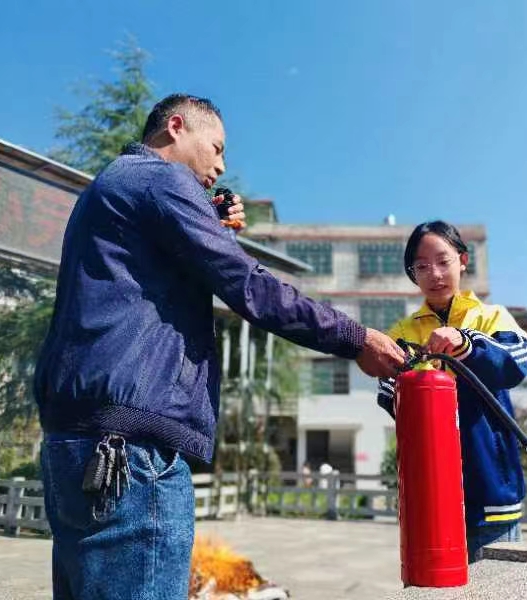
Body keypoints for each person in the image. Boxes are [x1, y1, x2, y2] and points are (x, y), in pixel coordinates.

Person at [34, 93, 405, 599]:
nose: (222, 165)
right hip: (130, 455)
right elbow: (247, 283)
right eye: (217, 147)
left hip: (76, 442)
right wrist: (355, 338)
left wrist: (205, 218)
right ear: (177, 126)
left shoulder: (112, 185)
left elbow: (150, 278)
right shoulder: (158, 179)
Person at [375, 220, 527, 563]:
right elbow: (389, 393)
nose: (434, 273)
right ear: (412, 274)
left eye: (443, 261)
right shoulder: (400, 333)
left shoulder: (492, 317)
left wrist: (466, 345)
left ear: (463, 260)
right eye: (421, 266)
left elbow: (517, 364)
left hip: (491, 491)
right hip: (428, 495)